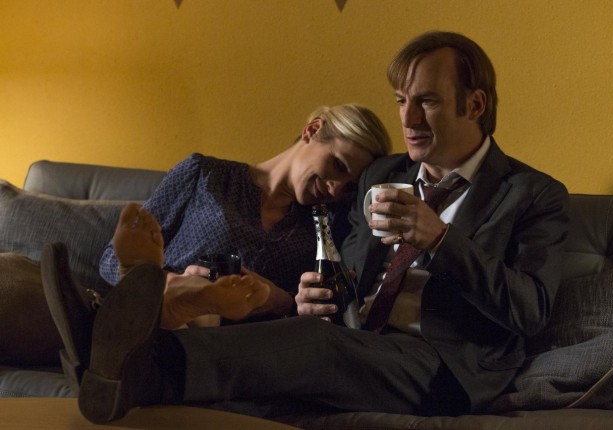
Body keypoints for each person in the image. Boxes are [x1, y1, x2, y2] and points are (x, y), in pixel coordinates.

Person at [44, 30, 570, 423]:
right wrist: (314, 296)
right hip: (355, 338)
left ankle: (128, 364)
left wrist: (440, 239)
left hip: (443, 364)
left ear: (474, 105)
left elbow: (532, 310)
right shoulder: (381, 174)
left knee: (313, 346)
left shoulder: (532, 194)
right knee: (299, 344)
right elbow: (340, 264)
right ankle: (111, 351)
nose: (408, 119)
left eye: (427, 101)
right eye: (401, 100)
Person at [97, 104, 391, 328]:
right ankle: (174, 295)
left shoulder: (327, 224)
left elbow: (317, 306)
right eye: (338, 165)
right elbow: (110, 261)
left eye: (349, 187)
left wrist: (282, 300)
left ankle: (186, 305)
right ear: (312, 131)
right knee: (174, 295)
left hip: (239, 338)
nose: (336, 188)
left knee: (208, 317)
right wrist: (174, 280)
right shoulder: (205, 174)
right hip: (159, 306)